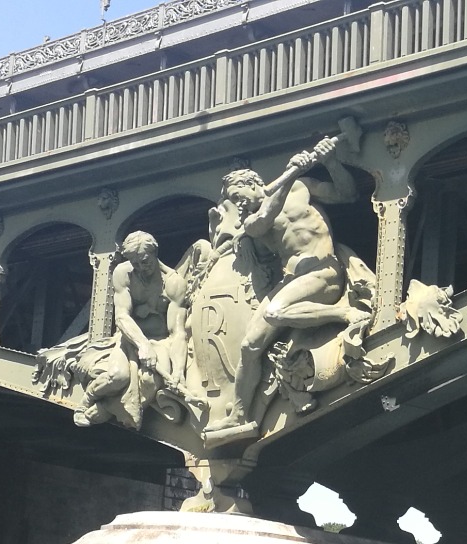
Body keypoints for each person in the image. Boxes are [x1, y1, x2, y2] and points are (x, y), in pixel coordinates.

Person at [203, 137, 370, 436]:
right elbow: (265, 218)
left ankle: (347, 314)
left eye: (238, 195)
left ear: (253, 183)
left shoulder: (302, 187)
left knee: (276, 312)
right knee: (250, 345)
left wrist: (330, 162)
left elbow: (348, 194)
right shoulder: (252, 222)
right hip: (292, 282)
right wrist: (291, 173)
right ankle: (239, 416)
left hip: (323, 272)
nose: (238, 204)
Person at [74, 231, 187, 428]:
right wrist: (142, 345)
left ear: (154, 253)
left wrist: (178, 372)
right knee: (117, 377)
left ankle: (108, 408)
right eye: (135, 264)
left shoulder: (173, 283)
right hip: (129, 337)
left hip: (160, 341)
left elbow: (177, 333)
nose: (141, 268)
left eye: (145, 261)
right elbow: (122, 316)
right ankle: (86, 400)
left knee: (151, 382)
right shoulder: (123, 273)